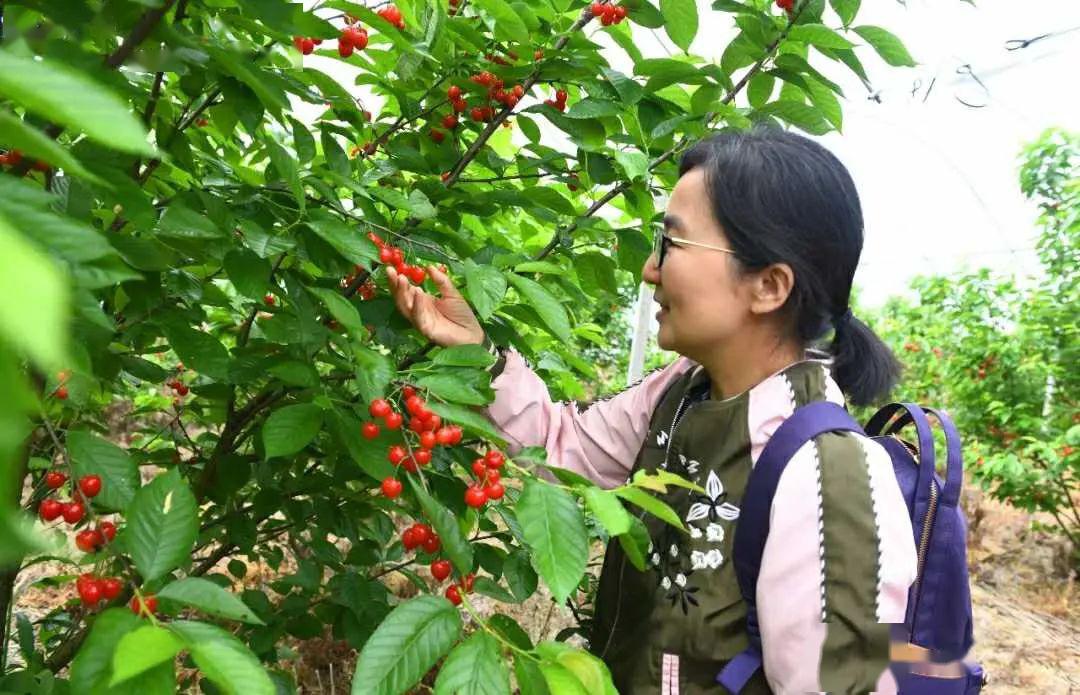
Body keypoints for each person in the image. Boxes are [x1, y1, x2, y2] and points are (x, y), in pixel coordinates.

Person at [386, 127, 918, 694]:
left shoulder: (825, 476)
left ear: (768, 285)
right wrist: (479, 356)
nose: (649, 268)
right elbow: (561, 448)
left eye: (673, 243)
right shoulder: (683, 392)